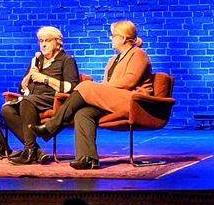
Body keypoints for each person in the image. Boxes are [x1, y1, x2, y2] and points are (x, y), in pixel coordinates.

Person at [33, 21, 153, 170]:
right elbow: (109, 86)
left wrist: (98, 89)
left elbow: (129, 82)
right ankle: (88, 159)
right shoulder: (113, 60)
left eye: (113, 36)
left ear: (123, 38)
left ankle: (51, 126)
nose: (111, 39)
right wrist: (100, 90)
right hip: (114, 100)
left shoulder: (138, 54)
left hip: (134, 101)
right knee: (83, 113)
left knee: (85, 86)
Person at [2, 26, 79, 166]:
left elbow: (71, 88)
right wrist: (26, 80)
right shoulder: (36, 60)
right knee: (7, 109)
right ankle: (35, 151)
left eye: (47, 41)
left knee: (27, 101)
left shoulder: (67, 60)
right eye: (40, 41)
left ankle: (30, 152)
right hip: (31, 99)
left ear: (58, 42)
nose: (43, 44)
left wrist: (44, 78)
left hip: (52, 100)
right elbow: (22, 90)